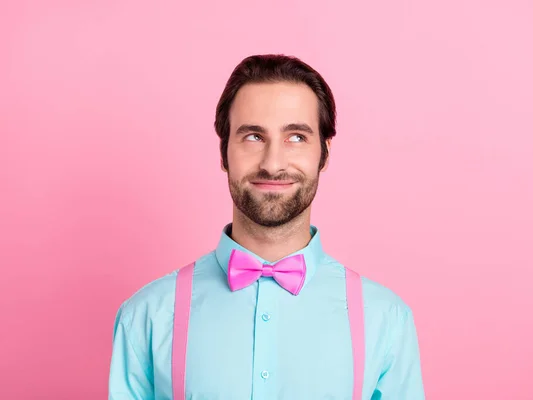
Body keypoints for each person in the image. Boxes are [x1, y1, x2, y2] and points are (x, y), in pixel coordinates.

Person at [108, 54, 426, 399]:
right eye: (253, 137)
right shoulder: (145, 318)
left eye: (296, 137)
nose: (273, 164)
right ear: (223, 152)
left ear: (325, 153)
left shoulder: (386, 320)